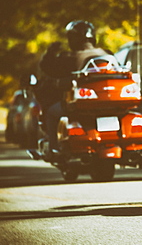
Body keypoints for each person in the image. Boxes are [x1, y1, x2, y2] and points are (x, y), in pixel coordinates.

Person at [38, 20, 110, 161]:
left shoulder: (71, 57)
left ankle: (54, 149)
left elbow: (47, 68)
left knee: (52, 113)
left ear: (73, 39)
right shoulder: (107, 53)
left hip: (83, 104)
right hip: (112, 103)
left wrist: (50, 52)